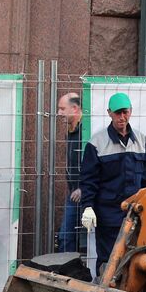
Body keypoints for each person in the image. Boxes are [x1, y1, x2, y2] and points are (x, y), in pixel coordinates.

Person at [80, 92, 146, 274]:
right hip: (108, 215)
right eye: (117, 113)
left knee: (134, 261)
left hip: (135, 214)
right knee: (108, 261)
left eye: (125, 112)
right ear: (109, 113)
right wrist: (88, 206)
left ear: (131, 112)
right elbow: (89, 179)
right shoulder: (97, 143)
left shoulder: (141, 141)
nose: (122, 117)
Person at [55, 91, 87, 253]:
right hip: (74, 193)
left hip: (85, 192)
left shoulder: (85, 132)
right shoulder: (72, 130)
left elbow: (93, 164)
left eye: (62, 109)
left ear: (74, 109)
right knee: (67, 237)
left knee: (69, 237)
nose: (58, 113)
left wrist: (83, 187)